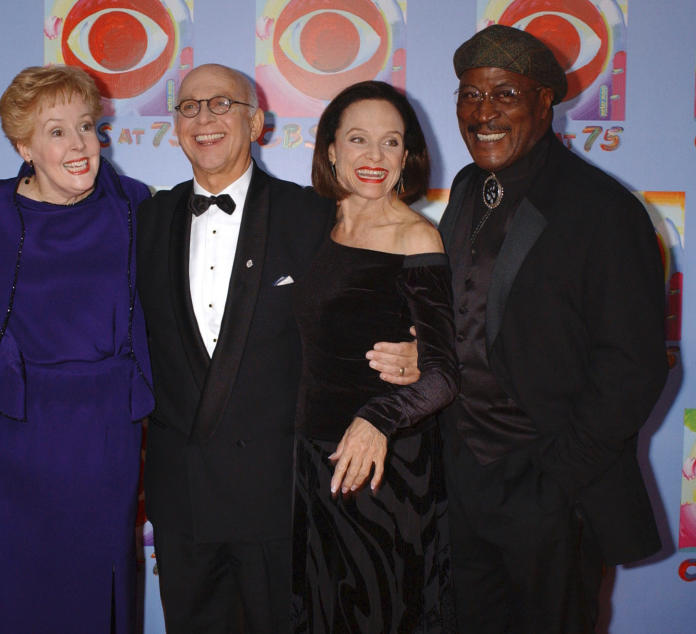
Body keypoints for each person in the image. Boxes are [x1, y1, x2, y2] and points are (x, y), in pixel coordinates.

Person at [137, 64, 420, 633]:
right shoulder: (145, 218)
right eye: (189, 107)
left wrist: (419, 349)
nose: (204, 118)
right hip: (181, 499)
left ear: (257, 121)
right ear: (174, 126)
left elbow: (385, 303)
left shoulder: (317, 216)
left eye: (221, 104)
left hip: (283, 498)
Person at [437, 25, 667, 632]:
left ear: (546, 102)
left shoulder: (604, 210)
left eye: (504, 95)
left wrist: (559, 478)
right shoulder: (465, 188)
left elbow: (634, 365)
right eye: (469, 94)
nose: (482, 113)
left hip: (547, 484)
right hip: (461, 481)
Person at [0, 65, 153, 633]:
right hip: (15, 426)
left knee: (96, 583)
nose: (79, 144)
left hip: (103, 428)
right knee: (15, 582)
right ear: (23, 146)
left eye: (86, 126)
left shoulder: (133, 205)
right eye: (56, 131)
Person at [292, 80, 458, 633]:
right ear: (331, 148)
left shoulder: (417, 239)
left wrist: (375, 420)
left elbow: (442, 376)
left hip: (384, 474)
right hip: (316, 462)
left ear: (407, 155)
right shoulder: (318, 221)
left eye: (391, 143)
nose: (375, 157)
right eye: (359, 139)